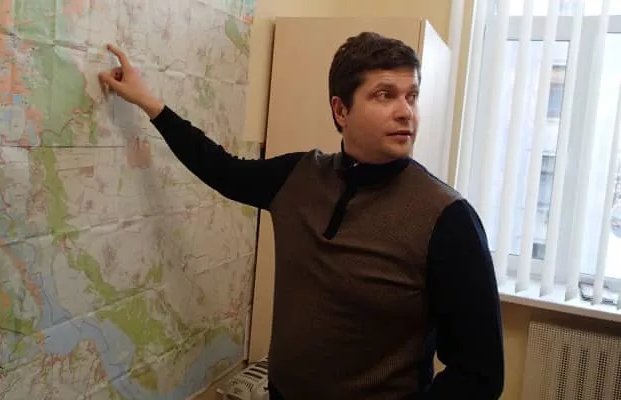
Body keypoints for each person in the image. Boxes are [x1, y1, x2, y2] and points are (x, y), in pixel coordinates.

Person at [98, 32, 504, 400]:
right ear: (341, 110)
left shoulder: (448, 219)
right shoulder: (298, 177)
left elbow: (479, 374)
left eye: (411, 96)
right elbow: (220, 168)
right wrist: (148, 102)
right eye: (385, 95)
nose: (406, 112)